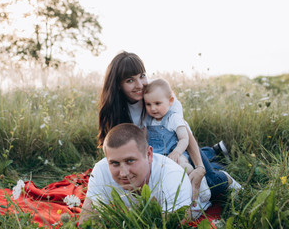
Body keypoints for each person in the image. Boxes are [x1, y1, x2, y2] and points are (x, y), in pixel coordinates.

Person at [97, 51, 242, 203]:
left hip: (180, 147)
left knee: (209, 185)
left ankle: (225, 176)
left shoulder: (157, 93)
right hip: (155, 156)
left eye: (142, 76)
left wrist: (200, 167)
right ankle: (214, 153)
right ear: (118, 85)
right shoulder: (114, 109)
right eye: (129, 80)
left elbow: (185, 134)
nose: (140, 85)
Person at [79, 123, 192, 224]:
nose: (123, 173)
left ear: (149, 154)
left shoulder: (173, 175)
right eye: (115, 163)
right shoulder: (101, 170)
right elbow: (86, 222)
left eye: (130, 161)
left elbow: (177, 223)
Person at [143, 78, 211, 202]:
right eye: (148, 104)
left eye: (157, 103)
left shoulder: (173, 118)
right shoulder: (148, 120)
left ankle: (200, 185)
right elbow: (145, 139)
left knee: (184, 166)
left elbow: (184, 138)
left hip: (175, 152)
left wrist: (177, 152)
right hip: (157, 155)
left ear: (170, 101)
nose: (153, 108)